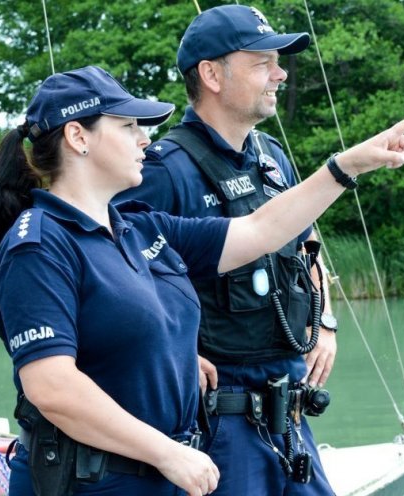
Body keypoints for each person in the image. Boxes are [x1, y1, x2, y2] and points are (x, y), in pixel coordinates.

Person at [0, 64, 404, 496]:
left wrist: (348, 166)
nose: (145, 138)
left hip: (162, 476)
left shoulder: (139, 229)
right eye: (128, 126)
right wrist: (167, 453)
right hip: (95, 481)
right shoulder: (39, 246)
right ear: (78, 136)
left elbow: (260, 230)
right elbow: (51, 387)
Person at [114, 5, 352, 494]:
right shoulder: (162, 171)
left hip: (291, 419)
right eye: (263, 62)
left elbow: (307, 242)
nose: (280, 74)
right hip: (219, 427)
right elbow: (115, 285)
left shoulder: (272, 156)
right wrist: (177, 356)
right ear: (211, 74)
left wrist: (324, 321)